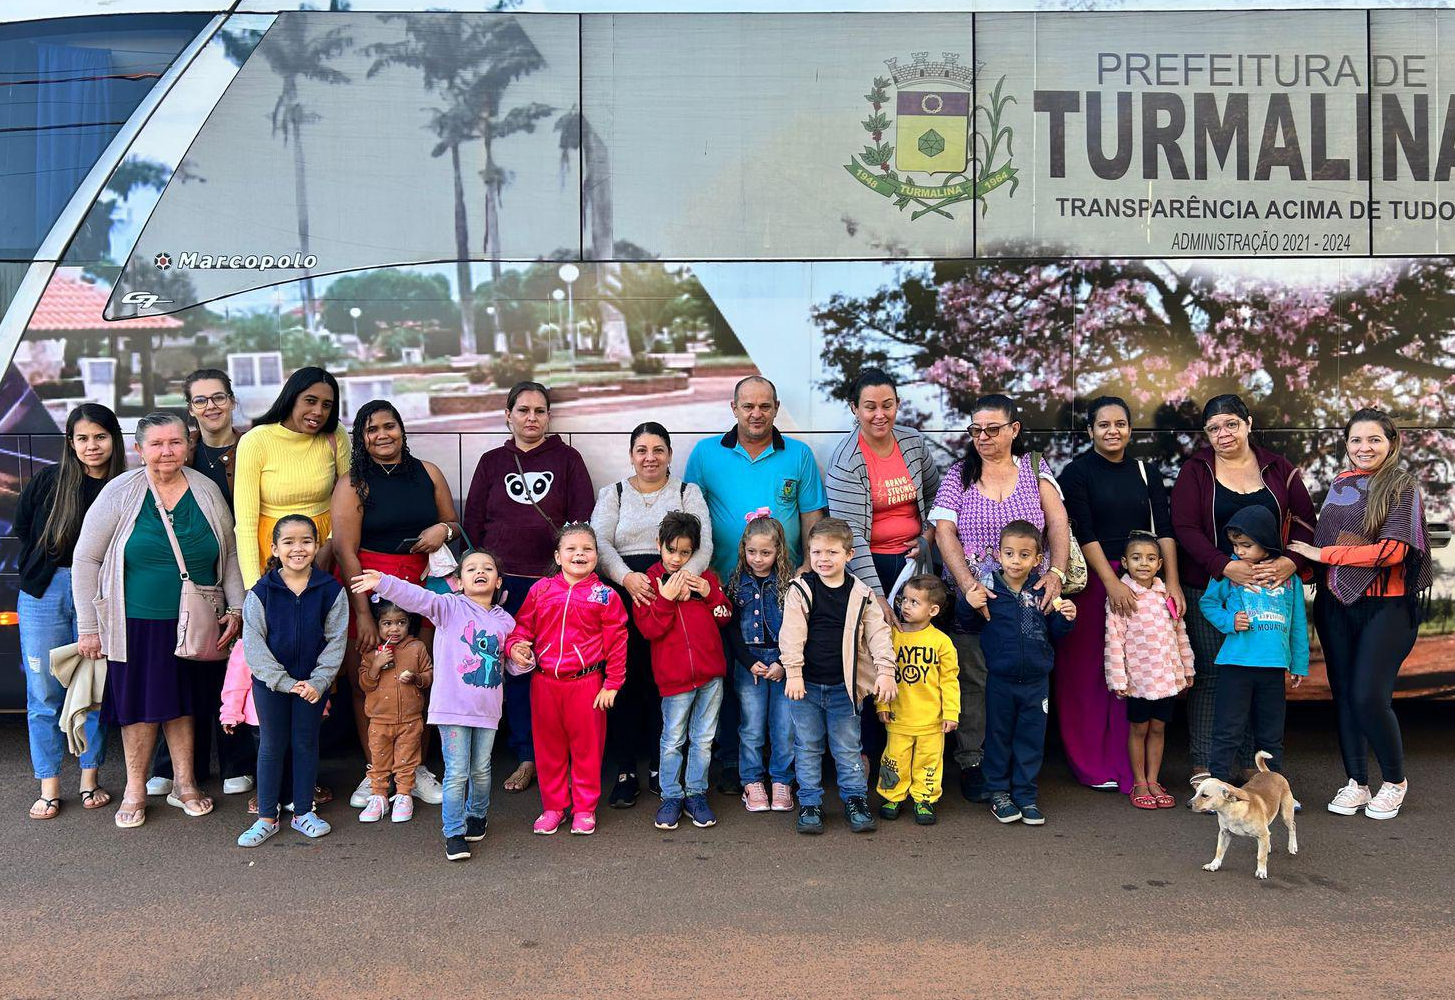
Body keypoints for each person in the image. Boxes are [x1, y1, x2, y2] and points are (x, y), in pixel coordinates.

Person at [71, 411, 245, 829]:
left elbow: (231, 553)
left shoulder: (205, 490)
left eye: (175, 443)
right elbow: (86, 558)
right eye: (156, 444)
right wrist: (89, 627)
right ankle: (135, 788)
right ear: (139, 449)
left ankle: (185, 785)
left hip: (196, 621)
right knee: (139, 709)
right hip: (135, 623)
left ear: (187, 445)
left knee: (183, 705)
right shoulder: (121, 490)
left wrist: (236, 608)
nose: (167, 451)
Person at [684, 375, 828, 795]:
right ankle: (735, 766)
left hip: (783, 588)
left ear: (776, 407)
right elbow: (693, 515)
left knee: (783, 677)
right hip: (718, 589)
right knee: (732, 677)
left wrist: (804, 571)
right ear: (733, 408)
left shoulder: (798, 455)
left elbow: (812, 518)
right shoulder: (706, 453)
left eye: (764, 405)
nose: (756, 413)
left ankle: (779, 773)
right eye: (747, 405)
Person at [1288, 409, 1432, 821]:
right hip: (1336, 602)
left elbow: (1394, 551)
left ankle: (1394, 781)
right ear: (1346, 443)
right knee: (1346, 696)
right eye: (1355, 440)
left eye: (1374, 439)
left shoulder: (1403, 486)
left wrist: (1323, 555)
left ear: (1392, 443)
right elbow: (1326, 537)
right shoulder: (1340, 485)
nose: (1364, 448)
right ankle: (1356, 782)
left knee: (1369, 695)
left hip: (1387, 604)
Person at [930, 393, 1071, 804]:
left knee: (1024, 679)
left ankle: (1017, 770)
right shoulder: (959, 473)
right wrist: (966, 585)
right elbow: (943, 531)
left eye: (992, 429)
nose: (983, 437)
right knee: (974, 679)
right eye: (975, 430)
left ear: (1014, 430)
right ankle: (974, 762)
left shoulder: (1034, 468)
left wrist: (1057, 574)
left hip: (1027, 597)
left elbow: (1058, 522)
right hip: (978, 600)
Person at [1170, 394, 1316, 789]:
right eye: (1214, 428)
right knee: (1215, 676)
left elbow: (1306, 521)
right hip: (1211, 587)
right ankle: (1206, 765)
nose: (1223, 433)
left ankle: (1255, 767)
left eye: (1231, 423)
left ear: (1248, 423)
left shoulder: (1278, 468)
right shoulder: (1196, 470)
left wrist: (1290, 562)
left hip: (1268, 589)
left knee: (1258, 677)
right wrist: (1225, 566)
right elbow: (1183, 528)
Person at [465, 381, 594, 796]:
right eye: (523, 410)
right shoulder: (490, 461)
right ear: (508, 415)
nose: (531, 418)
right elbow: (472, 526)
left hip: (552, 586)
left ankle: (559, 754)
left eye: (540, 411)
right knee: (513, 671)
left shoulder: (568, 459)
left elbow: (582, 522)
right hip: (503, 588)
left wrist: (569, 577)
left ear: (549, 417)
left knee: (554, 671)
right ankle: (525, 755)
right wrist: (482, 582)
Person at [331, 399, 459, 809]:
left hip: (423, 587)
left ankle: (415, 768)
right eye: (372, 430)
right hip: (368, 584)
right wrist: (364, 613)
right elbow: (346, 551)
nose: (382, 435)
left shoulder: (429, 473)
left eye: (389, 426)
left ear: (402, 429)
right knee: (365, 680)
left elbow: (454, 525)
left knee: (421, 677)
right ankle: (376, 775)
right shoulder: (353, 483)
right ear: (361, 438)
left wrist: (443, 529)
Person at [351, 549, 516, 862]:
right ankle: (453, 833)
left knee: (480, 770)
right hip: (451, 708)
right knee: (456, 773)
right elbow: (415, 597)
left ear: (498, 581)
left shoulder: (505, 621)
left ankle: (477, 817)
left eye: (487, 567)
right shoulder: (448, 607)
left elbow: (511, 664)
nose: (480, 572)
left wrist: (524, 659)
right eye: (471, 568)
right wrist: (383, 582)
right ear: (458, 581)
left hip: (488, 710)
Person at [1056, 395, 1181, 794]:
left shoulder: (1147, 471)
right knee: (1090, 673)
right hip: (1096, 582)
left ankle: (1129, 766)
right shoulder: (1076, 473)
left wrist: (1172, 582)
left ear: (1130, 428)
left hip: (1143, 581)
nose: (1113, 431)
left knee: (1131, 671)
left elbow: (1164, 530)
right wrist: (1111, 583)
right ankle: (1091, 762)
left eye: (1120, 424)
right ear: (1090, 430)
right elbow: (1082, 531)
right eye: (1104, 424)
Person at [824, 367, 942, 770]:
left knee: (915, 654)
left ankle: (917, 746)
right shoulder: (846, 460)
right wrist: (876, 597)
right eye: (870, 406)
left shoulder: (912, 442)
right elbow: (850, 536)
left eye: (887, 405)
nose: (880, 414)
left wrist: (926, 537)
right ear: (854, 408)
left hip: (915, 567)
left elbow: (935, 494)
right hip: (867, 568)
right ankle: (870, 754)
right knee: (873, 656)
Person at [591, 421, 712, 808]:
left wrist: (676, 582)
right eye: (642, 450)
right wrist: (627, 578)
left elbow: (704, 543)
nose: (650, 458)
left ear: (670, 455)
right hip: (624, 595)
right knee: (624, 681)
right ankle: (625, 769)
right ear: (631, 455)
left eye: (658, 450)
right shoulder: (614, 493)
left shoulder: (686, 492)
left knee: (665, 681)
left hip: (674, 594)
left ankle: (662, 768)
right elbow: (600, 543)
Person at [16, 403, 125, 820]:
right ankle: (49, 786)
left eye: (100, 436)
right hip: (44, 593)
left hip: (100, 597)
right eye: (82, 438)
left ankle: (89, 778)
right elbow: (23, 529)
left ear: (114, 439)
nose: (91, 446)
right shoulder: (49, 481)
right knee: (43, 692)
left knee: (93, 687)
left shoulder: (126, 485)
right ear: (70, 442)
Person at [150, 370, 253, 800]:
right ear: (190, 409)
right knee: (179, 671)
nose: (211, 406)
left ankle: (236, 762)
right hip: (188, 580)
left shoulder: (253, 446)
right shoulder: (184, 456)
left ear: (231, 401)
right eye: (200, 400)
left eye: (218, 397)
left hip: (243, 569)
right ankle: (174, 767)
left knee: (233, 671)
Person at [505, 523, 628, 836]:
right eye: (571, 549)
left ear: (596, 557)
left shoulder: (606, 596)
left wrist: (612, 683)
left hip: (587, 684)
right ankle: (554, 807)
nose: (579, 554)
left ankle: (584, 808)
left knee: (587, 749)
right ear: (558, 556)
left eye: (587, 549)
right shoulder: (541, 590)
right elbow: (522, 629)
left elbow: (617, 640)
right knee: (549, 750)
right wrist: (515, 646)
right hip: (544, 683)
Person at [235, 515, 349, 847]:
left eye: (306, 541)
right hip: (271, 685)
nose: (298, 549)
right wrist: (283, 681)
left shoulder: (330, 590)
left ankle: (303, 812)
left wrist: (320, 680)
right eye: (288, 542)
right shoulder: (262, 591)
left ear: (317, 545)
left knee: (305, 744)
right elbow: (253, 644)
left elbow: (336, 639)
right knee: (271, 746)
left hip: (313, 687)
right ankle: (267, 817)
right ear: (274, 548)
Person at [780, 517, 896, 835]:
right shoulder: (802, 590)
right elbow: (791, 634)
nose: (823, 559)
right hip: (806, 688)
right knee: (807, 746)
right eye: (816, 552)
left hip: (845, 690)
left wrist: (886, 671)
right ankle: (810, 803)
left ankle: (855, 800)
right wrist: (793, 673)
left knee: (847, 747)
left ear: (849, 555)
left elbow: (879, 634)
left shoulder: (862, 593)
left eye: (831, 552)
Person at [964, 521, 1077, 826]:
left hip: (1037, 682)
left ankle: (1026, 795)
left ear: (1038, 559)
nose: (1016, 560)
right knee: (998, 737)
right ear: (998, 555)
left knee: (1030, 739)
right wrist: (967, 602)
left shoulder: (1042, 589)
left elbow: (1055, 631)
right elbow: (968, 624)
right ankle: (999, 792)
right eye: (1010, 553)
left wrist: (1066, 618)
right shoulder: (989, 590)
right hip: (1000, 680)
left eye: (1024, 555)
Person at [635, 511, 732, 831]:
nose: (677, 559)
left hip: (710, 675)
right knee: (673, 739)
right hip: (674, 679)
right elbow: (649, 629)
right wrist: (664, 599)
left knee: (704, 739)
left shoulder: (706, 578)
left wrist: (709, 593)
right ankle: (671, 796)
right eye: (671, 550)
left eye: (685, 552)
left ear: (695, 552)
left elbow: (724, 616)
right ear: (658, 545)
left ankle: (696, 793)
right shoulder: (647, 583)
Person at [1199, 507, 1308, 785]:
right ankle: (1218, 785)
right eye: (1235, 545)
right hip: (1236, 664)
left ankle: (1272, 789)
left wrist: (1298, 663)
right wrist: (1230, 621)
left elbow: (1297, 622)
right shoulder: (1230, 572)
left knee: (1271, 733)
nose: (1240, 551)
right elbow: (1208, 603)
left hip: (1273, 667)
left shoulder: (1289, 578)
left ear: (1266, 540)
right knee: (1228, 729)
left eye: (1246, 545)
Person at [1103, 531, 1195, 810]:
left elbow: (1180, 633)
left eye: (1151, 558)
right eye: (1136, 558)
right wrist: (1118, 677)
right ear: (1125, 562)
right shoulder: (1122, 596)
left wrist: (1186, 667)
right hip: (1139, 680)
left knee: (1158, 728)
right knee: (1139, 728)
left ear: (1159, 564)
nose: (1143, 563)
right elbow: (1114, 639)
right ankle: (1139, 781)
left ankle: (1154, 780)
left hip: (1165, 678)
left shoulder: (1166, 594)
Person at [723, 515, 796, 813]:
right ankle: (751, 781)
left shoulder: (789, 584)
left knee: (784, 727)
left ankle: (781, 780)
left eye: (765, 553)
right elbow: (730, 627)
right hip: (750, 664)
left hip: (782, 663)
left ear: (778, 551)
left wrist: (782, 662)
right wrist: (749, 661)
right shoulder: (736, 582)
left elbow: (795, 627)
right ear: (743, 549)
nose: (758, 559)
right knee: (751, 727)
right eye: (752, 552)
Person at [874, 574, 959, 826]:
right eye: (904, 600)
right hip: (900, 717)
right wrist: (882, 704)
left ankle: (924, 799)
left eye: (914, 602)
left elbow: (950, 681)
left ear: (933, 610)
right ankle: (892, 795)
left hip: (931, 720)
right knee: (894, 758)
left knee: (929, 761)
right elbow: (882, 672)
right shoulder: (891, 635)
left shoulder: (942, 642)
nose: (905, 606)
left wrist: (951, 713)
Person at [357, 601, 433, 824]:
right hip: (379, 720)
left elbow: (429, 676)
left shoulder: (417, 648)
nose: (394, 629)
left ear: (410, 623)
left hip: (410, 719)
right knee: (379, 761)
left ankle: (403, 795)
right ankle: (379, 796)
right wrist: (376, 665)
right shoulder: (372, 652)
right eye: (387, 623)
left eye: (401, 623)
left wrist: (417, 678)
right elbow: (365, 684)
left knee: (407, 760)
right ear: (378, 625)